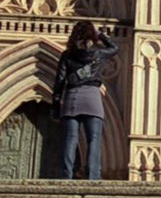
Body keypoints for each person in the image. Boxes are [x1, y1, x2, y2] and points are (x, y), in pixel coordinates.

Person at [51, 20, 119, 180]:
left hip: (72, 98)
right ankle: (93, 175)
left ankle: (66, 175)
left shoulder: (67, 55)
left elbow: (60, 81)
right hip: (92, 98)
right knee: (94, 139)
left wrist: (56, 106)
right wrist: (100, 35)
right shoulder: (98, 53)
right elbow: (115, 48)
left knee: (70, 138)